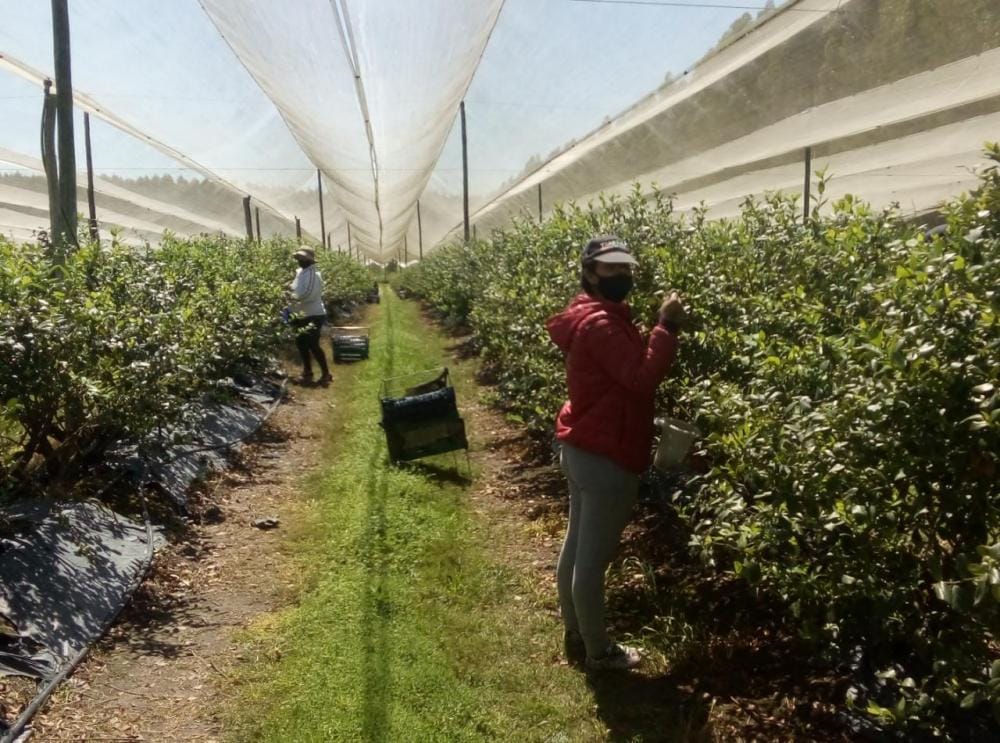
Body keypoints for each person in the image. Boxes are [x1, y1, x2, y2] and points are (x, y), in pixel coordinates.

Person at [546, 235, 686, 671]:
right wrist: (667, 326)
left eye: (626, 268)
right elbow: (641, 378)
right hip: (606, 453)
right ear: (590, 273)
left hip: (584, 444)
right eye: (612, 269)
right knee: (592, 558)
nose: (622, 276)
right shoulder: (602, 325)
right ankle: (599, 651)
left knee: (576, 546)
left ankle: (575, 627)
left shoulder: (594, 315)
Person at [289, 247, 331, 385]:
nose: (300, 261)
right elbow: (296, 289)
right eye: (299, 258)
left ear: (310, 260)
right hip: (301, 314)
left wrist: (291, 298)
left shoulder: (313, 274)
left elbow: (308, 294)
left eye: (303, 258)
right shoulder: (301, 273)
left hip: (313, 314)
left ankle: (326, 374)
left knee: (313, 344)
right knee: (301, 343)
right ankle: (307, 372)